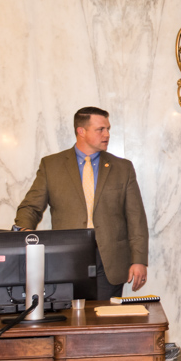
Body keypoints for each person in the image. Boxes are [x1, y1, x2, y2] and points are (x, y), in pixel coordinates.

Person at [14, 106, 148, 300]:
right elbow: (31, 207)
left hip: (109, 261)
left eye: (108, 129)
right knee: (68, 323)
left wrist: (139, 260)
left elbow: (136, 218)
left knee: (104, 323)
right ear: (81, 131)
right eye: (100, 129)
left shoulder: (122, 168)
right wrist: (23, 232)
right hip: (66, 259)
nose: (107, 134)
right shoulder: (51, 166)